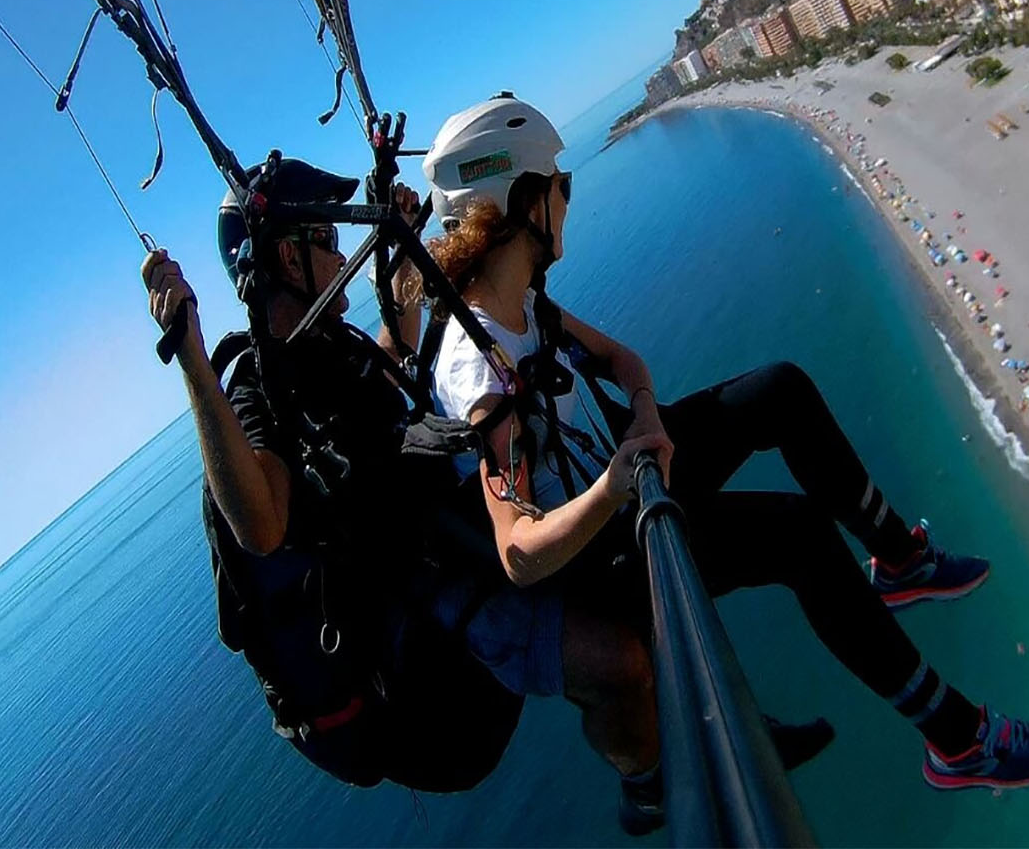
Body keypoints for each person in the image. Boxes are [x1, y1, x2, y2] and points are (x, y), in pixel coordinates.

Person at [418, 93, 1029, 796]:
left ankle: (901, 559)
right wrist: (616, 481)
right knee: (801, 537)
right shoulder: (477, 369)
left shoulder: (527, 303)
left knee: (778, 389)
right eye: (560, 185)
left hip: (635, 464)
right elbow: (518, 553)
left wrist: (647, 421)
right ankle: (957, 739)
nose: (569, 199)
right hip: (608, 545)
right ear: (521, 200)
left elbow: (625, 361)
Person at [139, 154, 657, 805]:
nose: (337, 255)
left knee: (613, 578)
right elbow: (262, 527)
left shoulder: (329, 341)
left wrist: (404, 251)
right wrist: (192, 359)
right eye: (326, 240)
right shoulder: (255, 385)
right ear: (289, 262)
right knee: (619, 663)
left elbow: (393, 358)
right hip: (418, 620)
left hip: (439, 553)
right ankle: (652, 787)